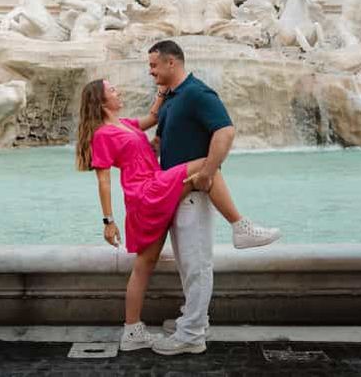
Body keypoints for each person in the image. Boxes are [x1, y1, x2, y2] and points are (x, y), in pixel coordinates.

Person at [75, 72, 280, 354]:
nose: (118, 91)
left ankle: (134, 331)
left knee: (144, 265)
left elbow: (152, 118)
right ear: (101, 100)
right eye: (112, 89)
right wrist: (108, 221)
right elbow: (103, 180)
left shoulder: (124, 124)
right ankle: (240, 225)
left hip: (154, 189)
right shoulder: (102, 135)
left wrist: (162, 92)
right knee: (207, 165)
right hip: (145, 193)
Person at [147, 40, 276, 356]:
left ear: (172, 63)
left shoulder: (196, 93)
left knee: (197, 265)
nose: (150, 71)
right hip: (176, 192)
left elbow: (225, 131)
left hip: (194, 193)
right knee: (187, 265)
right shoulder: (174, 99)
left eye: (154, 65)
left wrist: (208, 172)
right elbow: (161, 141)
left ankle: (191, 336)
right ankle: (194, 320)